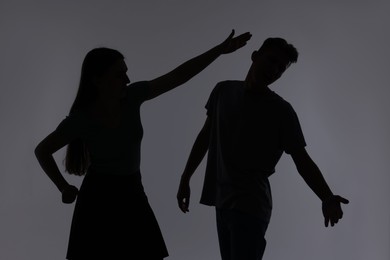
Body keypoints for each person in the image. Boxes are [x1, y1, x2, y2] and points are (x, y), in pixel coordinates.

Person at [34, 30, 251, 260]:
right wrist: (63, 187)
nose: (127, 80)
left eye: (126, 74)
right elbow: (42, 150)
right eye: (119, 75)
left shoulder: (132, 97)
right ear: (97, 80)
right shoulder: (81, 120)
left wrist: (218, 51)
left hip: (132, 190)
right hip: (98, 197)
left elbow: (178, 76)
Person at [177, 37, 349, 260]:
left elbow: (301, 159)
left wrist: (326, 196)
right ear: (255, 56)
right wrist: (185, 177)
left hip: (251, 205)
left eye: (281, 68)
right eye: (272, 61)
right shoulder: (223, 90)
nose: (274, 70)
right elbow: (205, 136)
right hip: (222, 202)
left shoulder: (282, 111)